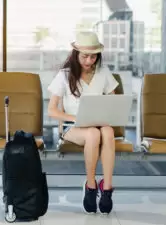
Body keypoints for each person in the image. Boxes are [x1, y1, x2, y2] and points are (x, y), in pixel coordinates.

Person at [47, 31, 118, 214]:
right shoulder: (64, 75)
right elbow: (52, 110)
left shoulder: (103, 72)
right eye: (85, 56)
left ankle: (107, 188)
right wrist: (76, 118)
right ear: (76, 55)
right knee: (93, 134)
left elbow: (114, 102)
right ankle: (91, 185)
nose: (89, 61)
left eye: (93, 57)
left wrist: (105, 113)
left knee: (108, 131)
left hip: (98, 123)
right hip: (73, 127)